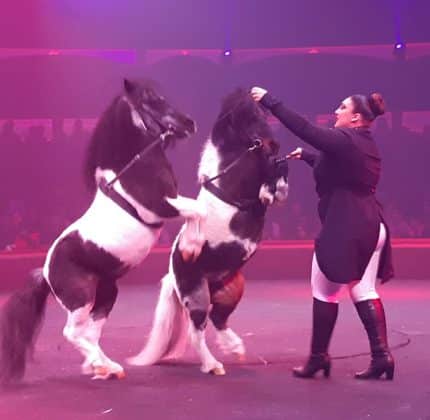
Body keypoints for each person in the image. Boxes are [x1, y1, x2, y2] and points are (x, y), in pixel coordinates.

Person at [251, 87, 394, 380]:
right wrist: (307, 157)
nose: (336, 111)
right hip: (371, 224)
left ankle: (318, 358)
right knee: (363, 290)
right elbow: (341, 171)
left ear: (355, 118)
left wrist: (269, 100)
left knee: (324, 291)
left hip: (348, 226)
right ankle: (382, 357)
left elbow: (304, 128)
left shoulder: (345, 139)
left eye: (342, 107)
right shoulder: (363, 142)